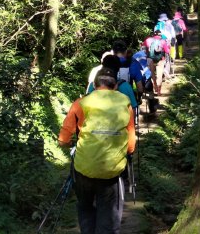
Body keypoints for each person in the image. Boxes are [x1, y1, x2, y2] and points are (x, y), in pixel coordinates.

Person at [59, 68, 136, 234]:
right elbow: (131, 143)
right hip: (112, 169)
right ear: (115, 86)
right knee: (108, 212)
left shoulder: (81, 103)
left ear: (94, 85)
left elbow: (63, 139)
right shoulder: (125, 103)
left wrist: (69, 144)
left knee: (85, 207)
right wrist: (126, 152)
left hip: (83, 168)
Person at [142, 31, 170, 95]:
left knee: (151, 74)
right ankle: (158, 91)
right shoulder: (163, 41)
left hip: (149, 59)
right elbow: (167, 51)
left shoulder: (148, 40)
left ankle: (152, 88)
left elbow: (143, 49)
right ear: (160, 35)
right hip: (160, 60)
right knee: (159, 75)